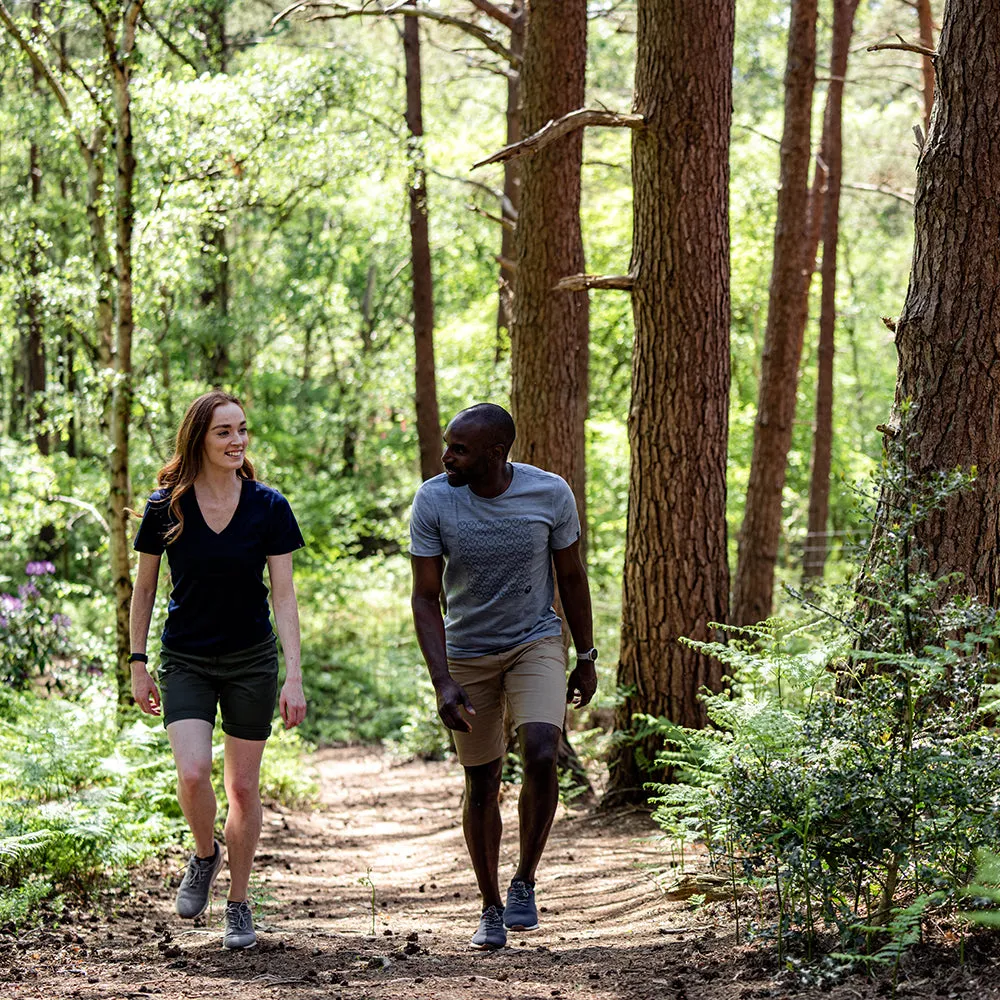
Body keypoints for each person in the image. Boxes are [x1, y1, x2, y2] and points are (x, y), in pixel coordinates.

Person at [409, 403, 598, 950]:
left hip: (534, 640)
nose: (447, 456)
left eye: (459, 449)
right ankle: (490, 906)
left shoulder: (549, 494)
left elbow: (571, 575)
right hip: (466, 652)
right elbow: (425, 596)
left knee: (541, 750)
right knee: (482, 783)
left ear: (495, 453)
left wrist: (585, 655)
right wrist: (442, 679)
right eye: (447, 445)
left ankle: (524, 881)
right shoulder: (434, 499)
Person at [128, 390, 306, 950]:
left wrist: (293, 673)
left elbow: (284, 595)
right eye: (224, 432)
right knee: (191, 774)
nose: (238, 441)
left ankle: (239, 903)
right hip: (185, 658)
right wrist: (137, 663)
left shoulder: (269, 506)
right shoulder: (166, 507)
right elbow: (146, 589)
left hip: (252, 658)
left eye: (242, 430)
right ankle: (205, 855)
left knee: (245, 788)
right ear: (199, 438)